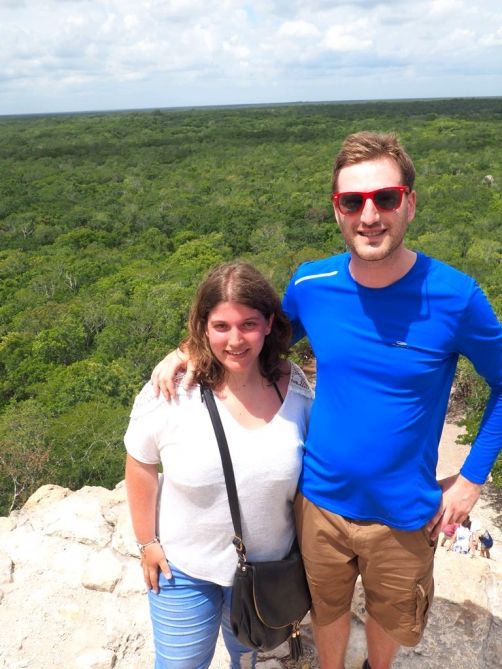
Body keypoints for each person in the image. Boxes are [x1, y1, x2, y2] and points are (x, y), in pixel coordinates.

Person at [150, 132, 502, 669]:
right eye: (353, 201)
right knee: (326, 608)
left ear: (409, 203)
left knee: (390, 615)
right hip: (319, 501)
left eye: (385, 198)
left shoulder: (456, 297)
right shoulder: (312, 283)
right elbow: (254, 336)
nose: (370, 215)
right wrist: (188, 350)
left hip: (404, 511)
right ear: (337, 209)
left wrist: (472, 479)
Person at [124, 262, 313, 669]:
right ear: (203, 328)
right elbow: (140, 462)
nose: (235, 340)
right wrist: (146, 543)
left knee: (245, 661)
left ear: (269, 324)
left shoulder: (293, 386)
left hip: (266, 571)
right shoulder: (172, 391)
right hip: (183, 567)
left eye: (249, 324)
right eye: (221, 326)